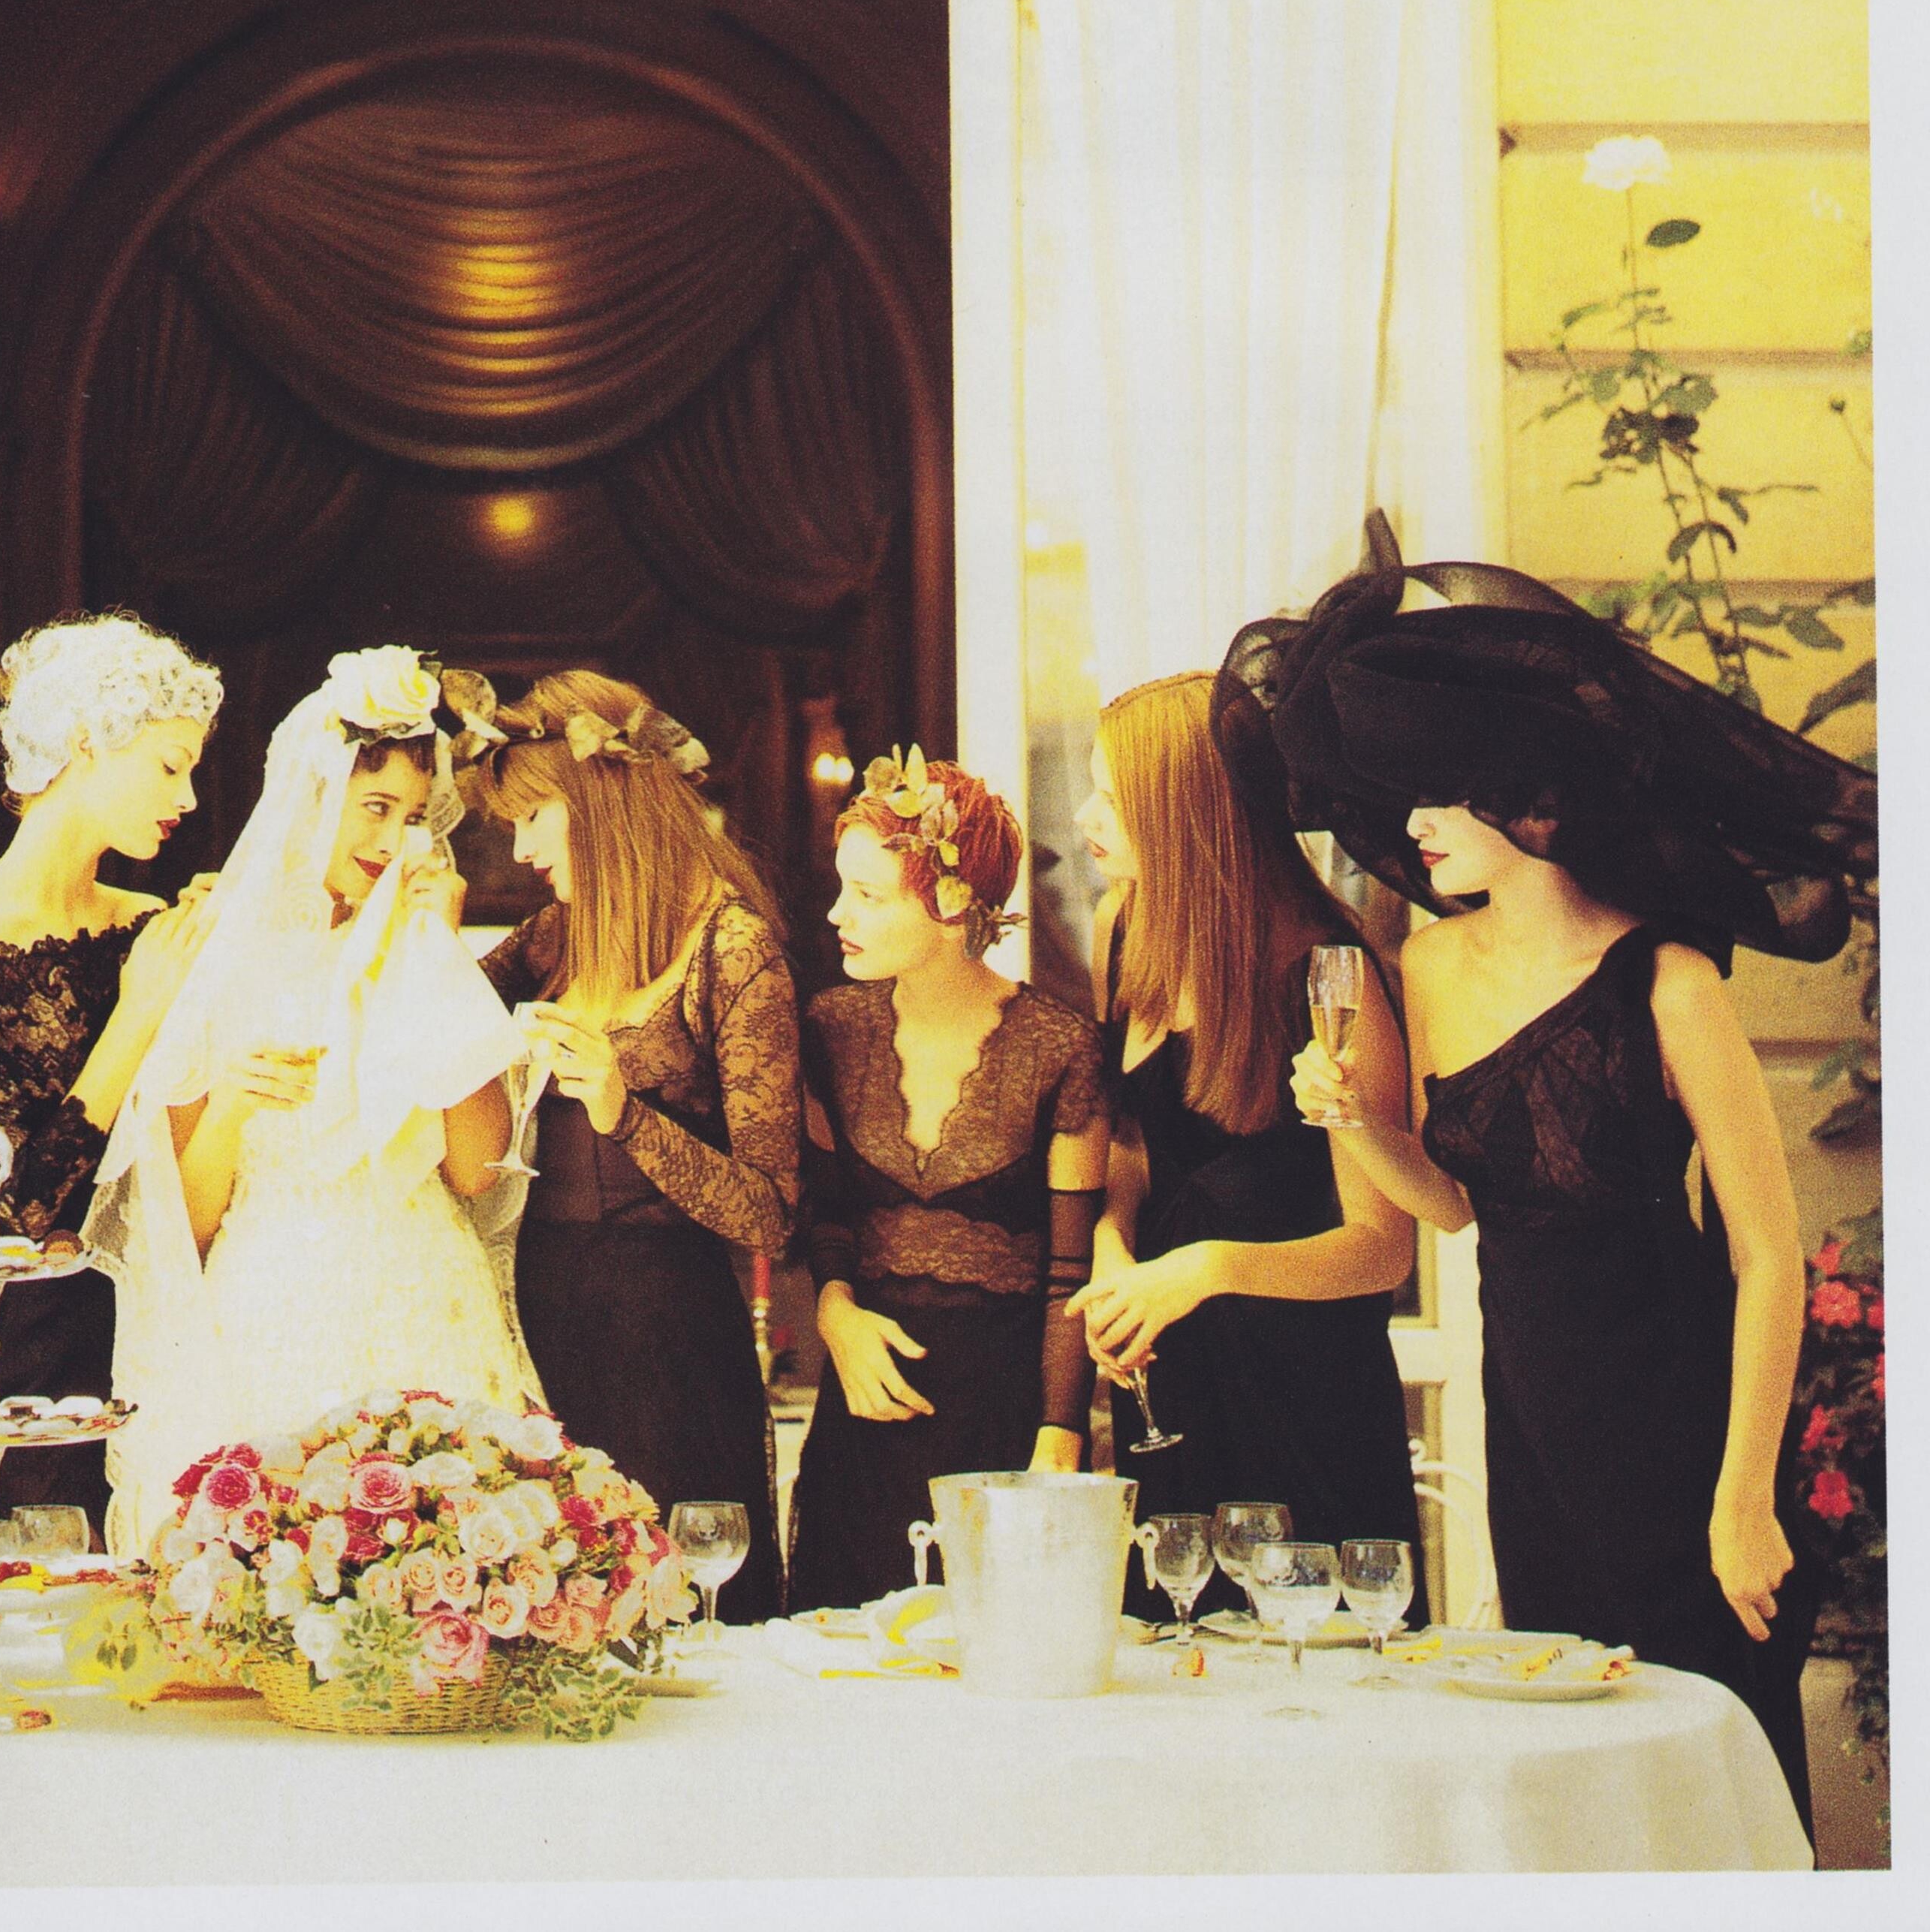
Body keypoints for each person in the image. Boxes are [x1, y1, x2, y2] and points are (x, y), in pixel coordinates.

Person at [1222, 512, 1871, 1834]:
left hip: (1680, 1424)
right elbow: (1457, 1206)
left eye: (1434, 793)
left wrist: (1743, 1498)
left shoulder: (1669, 981)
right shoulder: (1425, 966)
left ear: (1524, 796)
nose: (1411, 826)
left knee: (1708, 1783)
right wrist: (1357, 1123)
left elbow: (1767, 1256)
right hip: (1531, 1424)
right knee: (1578, 1777)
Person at [89, 647, 531, 1551]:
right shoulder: (212, 955)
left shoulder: (420, 948)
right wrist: (230, 1105)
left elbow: (478, 1170)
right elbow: (183, 1225)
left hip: (426, 1300)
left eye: (413, 815)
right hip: (268, 1309)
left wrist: (438, 959)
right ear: (313, 794)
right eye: (375, 807)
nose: (394, 839)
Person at [1068, 672, 1427, 1620]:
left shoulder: (1330, 974)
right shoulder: (1120, 928)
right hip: (1173, 1379)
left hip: (1305, 1398)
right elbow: (1132, 1143)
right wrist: (1112, 1249)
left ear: (1186, 812)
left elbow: (1381, 1248)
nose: (1083, 815)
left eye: (1110, 795)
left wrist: (1204, 1268)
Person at [464, 669, 800, 1626]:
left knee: (676, 1624)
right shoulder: (550, 938)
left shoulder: (733, 948)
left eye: (534, 818)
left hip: (665, 1340)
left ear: (601, 799)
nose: (521, 849)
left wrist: (626, 1112)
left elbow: (770, 1211)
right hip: (537, 1324)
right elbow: (426, 1019)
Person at [787, 749, 1108, 1614]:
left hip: (1001, 1426)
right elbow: (828, 1212)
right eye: (842, 887)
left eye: (867, 894)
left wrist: (1059, 1438)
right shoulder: (829, 1028)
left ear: (953, 901)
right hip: (862, 1420)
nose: (837, 912)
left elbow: (1069, 1273)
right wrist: (835, 1311)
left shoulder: (1058, 1046)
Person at [0, 616, 221, 1531]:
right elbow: (10, 1222)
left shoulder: (151, 925)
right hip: (13, 1366)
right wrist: (138, 1013)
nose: (187, 796)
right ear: (85, 742)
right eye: (169, 765)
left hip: (147, 1341)